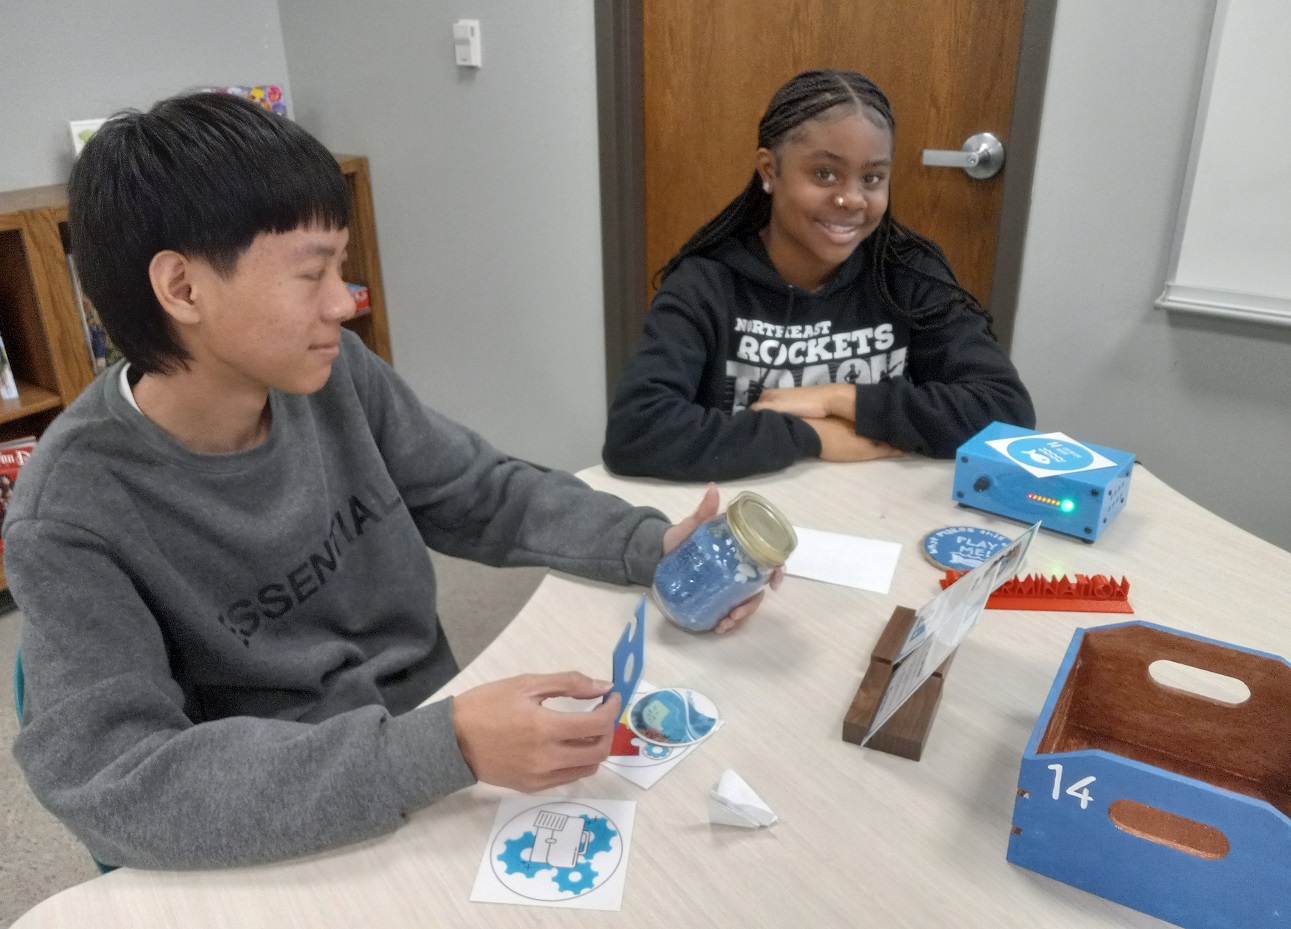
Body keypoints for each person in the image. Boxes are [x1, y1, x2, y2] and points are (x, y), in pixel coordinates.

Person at [4, 92, 769, 871]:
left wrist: (646, 541)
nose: (344, 300)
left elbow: (479, 491)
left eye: (341, 265)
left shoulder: (328, 377)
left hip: (427, 752)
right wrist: (444, 745)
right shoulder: (71, 511)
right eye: (312, 273)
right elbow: (118, 782)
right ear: (183, 289)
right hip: (285, 826)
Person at [603, 69, 1036, 482]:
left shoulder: (907, 273)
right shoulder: (707, 285)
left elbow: (1006, 412)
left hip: (878, 516)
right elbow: (637, 431)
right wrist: (806, 435)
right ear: (769, 170)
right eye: (824, 173)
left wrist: (842, 399)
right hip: (745, 517)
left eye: (872, 177)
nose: (852, 198)